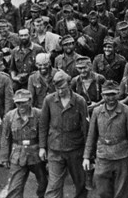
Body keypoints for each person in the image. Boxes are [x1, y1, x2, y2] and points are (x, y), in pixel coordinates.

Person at [82, 80, 128, 198]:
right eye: (107, 95)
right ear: (103, 96)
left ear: (118, 94)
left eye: (113, 94)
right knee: (102, 188)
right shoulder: (97, 111)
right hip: (103, 155)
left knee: (121, 191)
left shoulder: (127, 111)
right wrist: (86, 157)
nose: (111, 98)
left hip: (122, 155)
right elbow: (91, 135)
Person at [39, 70, 88, 198]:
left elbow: (86, 128)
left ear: (69, 84)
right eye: (57, 88)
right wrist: (42, 147)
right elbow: (43, 124)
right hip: (55, 149)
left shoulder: (79, 101)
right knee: (53, 186)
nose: (60, 92)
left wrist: (88, 154)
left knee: (80, 183)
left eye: (63, 88)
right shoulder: (49, 100)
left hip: (75, 150)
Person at [0, 89, 48, 198]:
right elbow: (5, 138)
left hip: (36, 155)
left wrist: (43, 149)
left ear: (30, 101)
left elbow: (44, 134)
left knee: (44, 183)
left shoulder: (39, 114)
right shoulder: (9, 116)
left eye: (23, 102)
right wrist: (4, 158)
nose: (20, 106)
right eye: (18, 103)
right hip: (17, 155)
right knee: (14, 187)